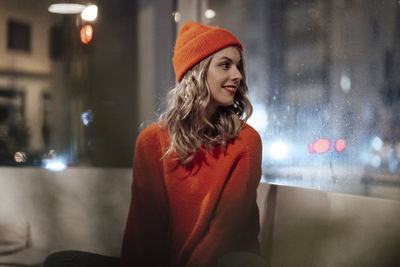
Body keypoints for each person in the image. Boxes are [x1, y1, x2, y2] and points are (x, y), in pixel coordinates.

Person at [43, 21, 263, 267]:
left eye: (238, 66)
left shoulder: (246, 140)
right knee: (60, 262)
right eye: (225, 65)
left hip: (221, 261)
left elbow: (224, 231)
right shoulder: (152, 141)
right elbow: (143, 231)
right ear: (197, 72)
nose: (237, 75)